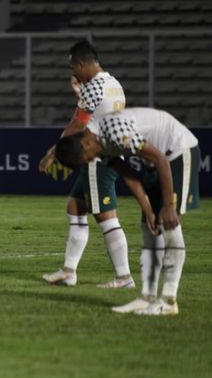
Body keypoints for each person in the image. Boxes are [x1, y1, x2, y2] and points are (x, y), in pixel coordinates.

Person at [55, 107, 199, 316]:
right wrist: (149, 210)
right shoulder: (96, 141)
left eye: (85, 159)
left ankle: (168, 301)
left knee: (169, 225)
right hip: (158, 161)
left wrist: (168, 206)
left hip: (178, 152)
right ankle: (147, 297)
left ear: (85, 144)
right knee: (150, 230)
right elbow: (129, 174)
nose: (88, 162)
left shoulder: (115, 134)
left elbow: (161, 160)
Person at [38, 40, 133, 288]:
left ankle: (124, 277)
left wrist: (53, 152)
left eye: (74, 68)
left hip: (98, 159)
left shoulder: (94, 87)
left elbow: (77, 124)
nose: (73, 73)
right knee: (75, 208)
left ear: (81, 64)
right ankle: (69, 272)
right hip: (112, 153)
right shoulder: (114, 84)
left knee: (106, 218)